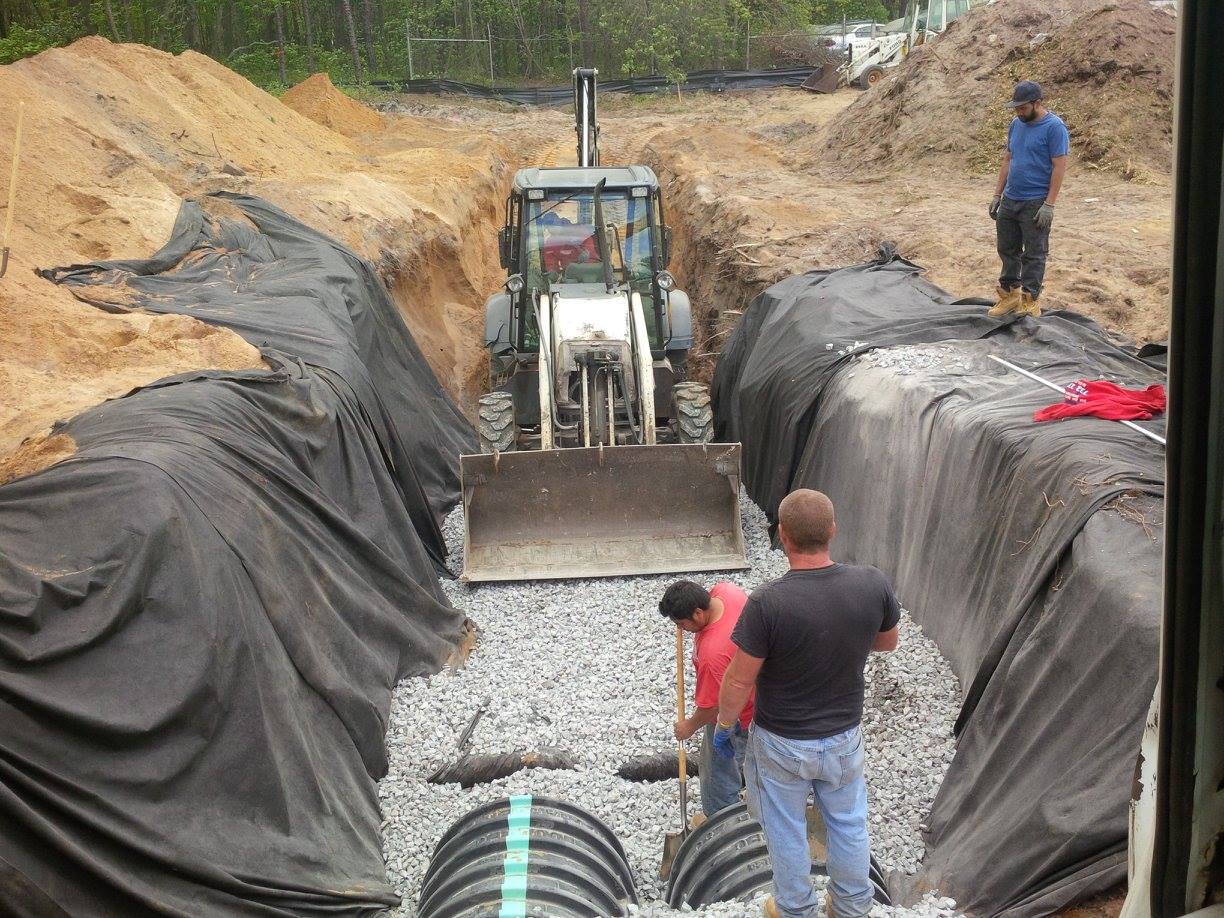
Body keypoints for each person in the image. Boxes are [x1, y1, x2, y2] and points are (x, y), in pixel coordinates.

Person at [713, 490, 900, 918]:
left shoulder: (768, 602)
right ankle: (852, 906)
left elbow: (740, 677)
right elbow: (887, 643)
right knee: (849, 822)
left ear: (782, 535)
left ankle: (796, 908)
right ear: (832, 531)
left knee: (785, 827)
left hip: (782, 743)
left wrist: (725, 725)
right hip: (843, 738)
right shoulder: (872, 583)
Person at [658, 579, 755, 817]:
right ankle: (750, 784)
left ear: (698, 613)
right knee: (752, 754)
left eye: (682, 623)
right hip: (762, 692)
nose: (680, 629)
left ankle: (724, 817)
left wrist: (688, 726)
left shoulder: (713, 652)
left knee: (716, 767)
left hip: (739, 712)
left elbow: (715, 707)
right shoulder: (726, 592)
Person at [989, 80, 1071, 318]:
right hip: (1010, 198)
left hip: (1035, 201)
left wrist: (1049, 204)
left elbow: (1059, 167)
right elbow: (1008, 159)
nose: (1018, 112)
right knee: (1007, 249)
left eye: (1022, 108)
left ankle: (1030, 299)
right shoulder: (1016, 124)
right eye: (1016, 108)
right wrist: (997, 194)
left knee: (1034, 253)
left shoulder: (1054, 128)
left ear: (1037, 103)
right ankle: (1010, 294)